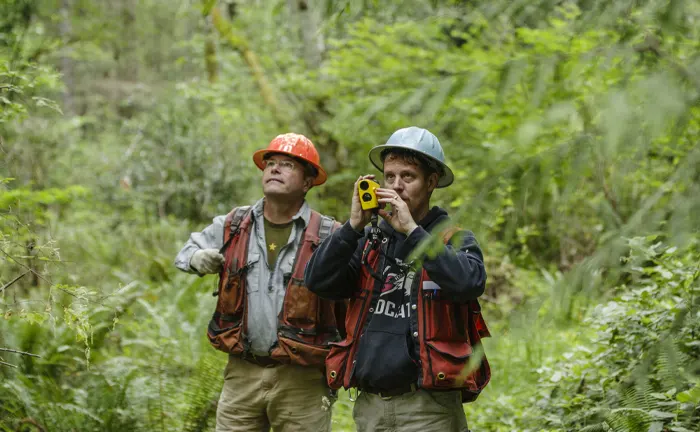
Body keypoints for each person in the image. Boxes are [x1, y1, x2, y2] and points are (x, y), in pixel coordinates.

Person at [304, 126, 491, 432]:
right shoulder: (369, 241)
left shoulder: (452, 239)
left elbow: (469, 283)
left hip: (429, 408)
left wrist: (414, 233)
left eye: (408, 177)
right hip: (371, 407)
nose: (396, 186)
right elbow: (318, 281)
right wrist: (352, 227)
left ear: (431, 182)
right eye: (389, 177)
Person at [174, 133, 344, 432]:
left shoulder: (329, 234)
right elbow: (185, 253)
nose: (275, 169)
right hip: (242, 374)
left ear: (307, 182)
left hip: (303, 380)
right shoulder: (233, 224)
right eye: (271, 163)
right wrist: (198, 257)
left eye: (287, 165)